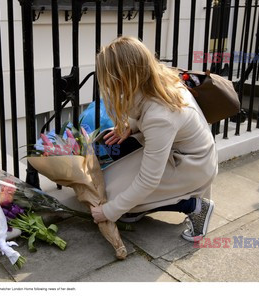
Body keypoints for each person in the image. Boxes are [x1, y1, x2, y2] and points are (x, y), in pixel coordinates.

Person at [90, 36, 218, 242]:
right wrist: (131, 127)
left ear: (125, 78)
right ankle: (139, 207)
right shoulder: (158, 79)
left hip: (193, 167)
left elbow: (148, 181)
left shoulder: (160, 116)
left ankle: (195, 206)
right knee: (112, 187)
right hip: (182, 155)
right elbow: (145, 107)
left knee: (114, 199)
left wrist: (109, 212)